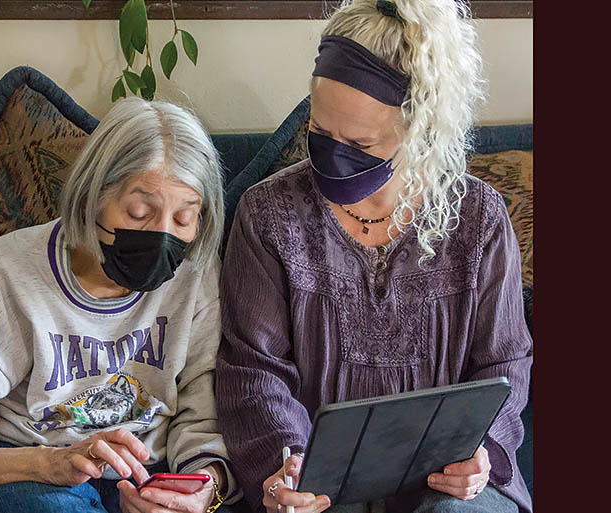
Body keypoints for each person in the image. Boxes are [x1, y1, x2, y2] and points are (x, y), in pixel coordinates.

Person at [214, 1, 532, 513]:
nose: (333, 153)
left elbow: (504, 361)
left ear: (422, 129)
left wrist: (482, 453)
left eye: (360, 143)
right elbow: (254, 370)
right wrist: (284, 467)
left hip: (447, 485)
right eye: (319, 132)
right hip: (316, 486)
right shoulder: (268, 216)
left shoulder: (478, 218)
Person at [0, 96, 241, 513]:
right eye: (139, 210)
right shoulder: (9, 273)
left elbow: (204, 424)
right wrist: (48, 464)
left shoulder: (197, 272)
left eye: (184, 219)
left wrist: (198, 490)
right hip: (27, 469)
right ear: (91, 197)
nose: (163, 235)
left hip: (146, 472)